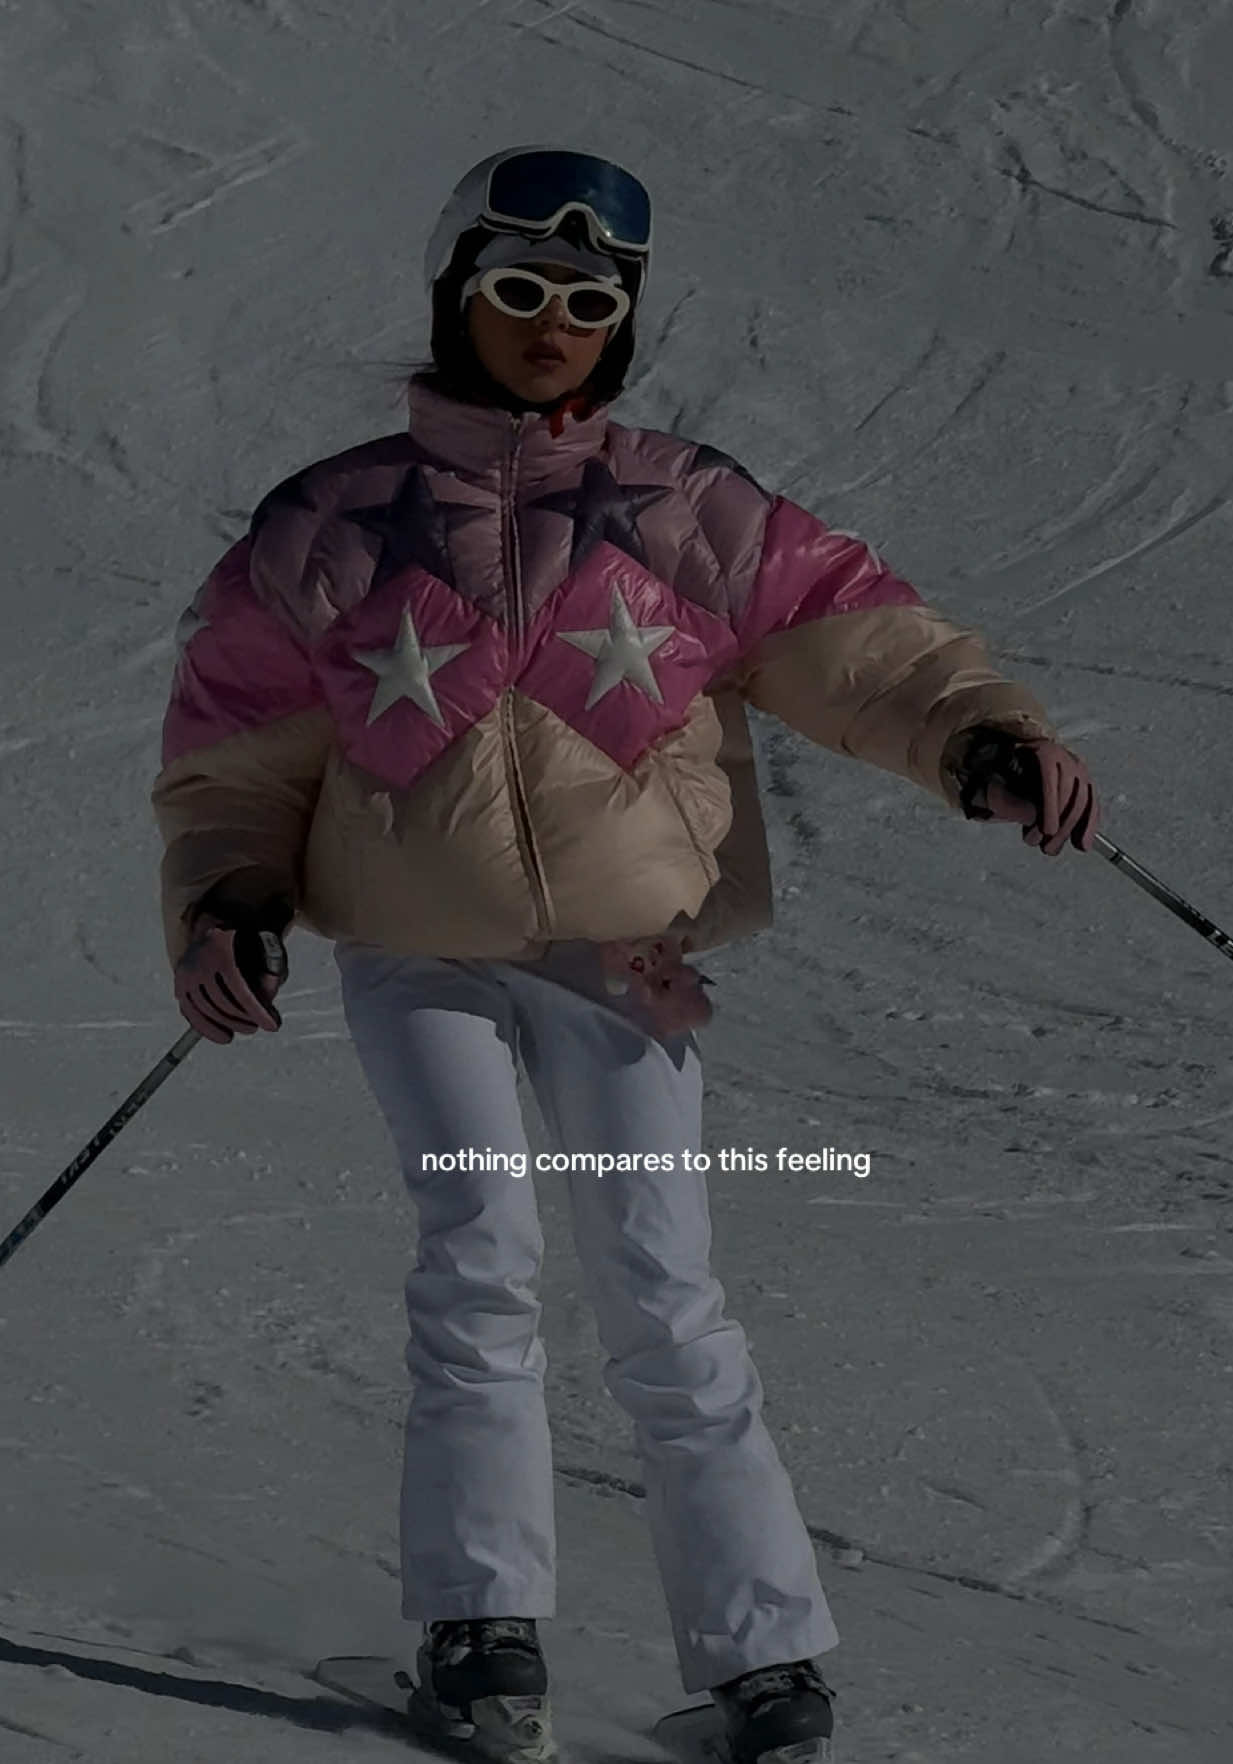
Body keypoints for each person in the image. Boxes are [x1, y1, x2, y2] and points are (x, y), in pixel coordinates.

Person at [151, 146, 1100, 1764]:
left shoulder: (682, 506)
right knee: (478, 1247)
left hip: (618, 961)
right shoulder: (333, 522)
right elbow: (236, 747)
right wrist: (228, 892)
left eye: (588, 303)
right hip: (417, 954)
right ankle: (481, 1634)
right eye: (520, 289)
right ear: (456, 294)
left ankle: (766, 1666)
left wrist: (976, 736)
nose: (552, 327)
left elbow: (861, 646)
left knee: (661, 1284)